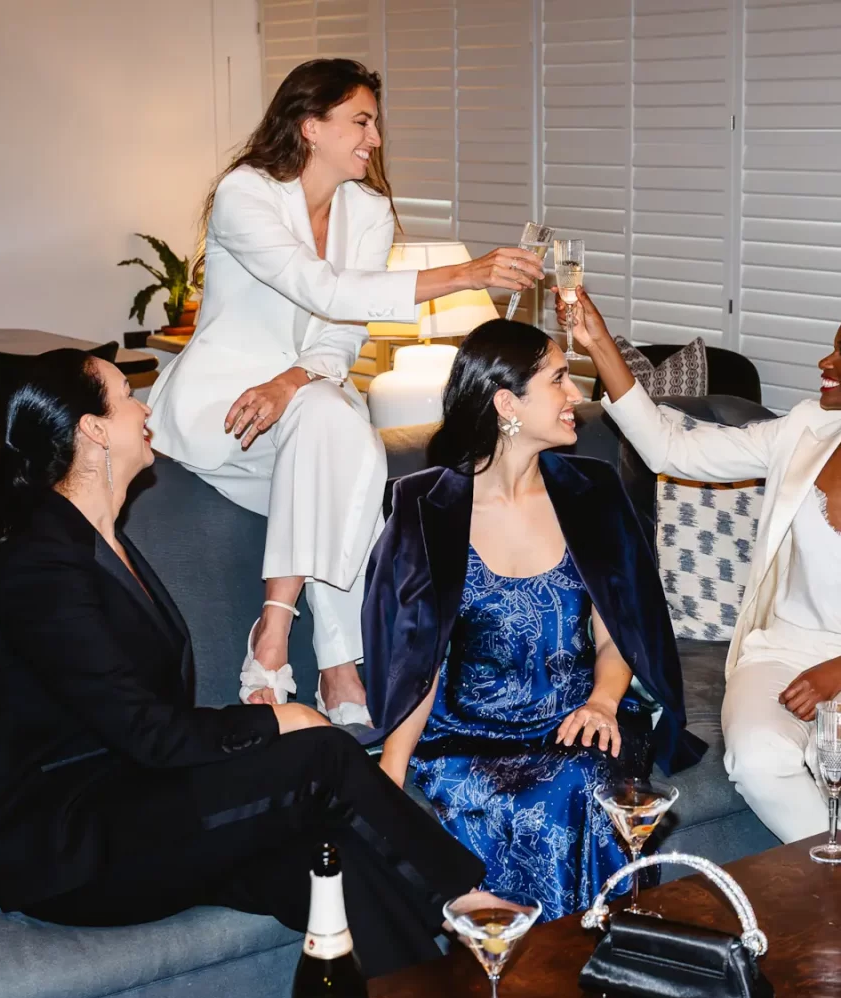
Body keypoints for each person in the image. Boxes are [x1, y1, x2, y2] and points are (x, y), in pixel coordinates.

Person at [0, 350, 486, 977]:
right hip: (65, 844)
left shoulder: (101, 540)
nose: (144, 406)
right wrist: (277, 725)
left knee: (332, 863)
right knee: (326, 756)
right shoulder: (40, 565)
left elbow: (146, 721)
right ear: (93, 429)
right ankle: (464, 902)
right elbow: (146, 731)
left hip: (135, 801)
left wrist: (250, 733)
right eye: (126, 395)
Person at [145, 58, 544, 726]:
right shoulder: (246, 194)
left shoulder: (370, 212)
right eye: (361, 121)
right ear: (310, 126)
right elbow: (320, 289)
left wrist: (291, 381)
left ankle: (274, 638)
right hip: (225, 415)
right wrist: (464, 273)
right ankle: (338, 661)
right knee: (347, 452)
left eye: (375, 123)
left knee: (331, 422)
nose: (375, 139)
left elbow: (341, 334)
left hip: (301, 404)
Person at [560, 288, 841, 850]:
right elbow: (669, 449)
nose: (826, 364)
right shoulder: (803, 431)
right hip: (778, 650)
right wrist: (597, 342)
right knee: (756, 759)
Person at [362, 319, 706, 922]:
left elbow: (617, 628)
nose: (576, 395)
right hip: (469, 735)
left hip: (580, 719)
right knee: (514, 799)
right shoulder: (427, 508)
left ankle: (597, 956)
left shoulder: (591, 490)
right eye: (558, 380)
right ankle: (513, 971)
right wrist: (388, 780)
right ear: (506, 403)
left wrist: (603, 702)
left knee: (582, 782)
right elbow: (417, 658)